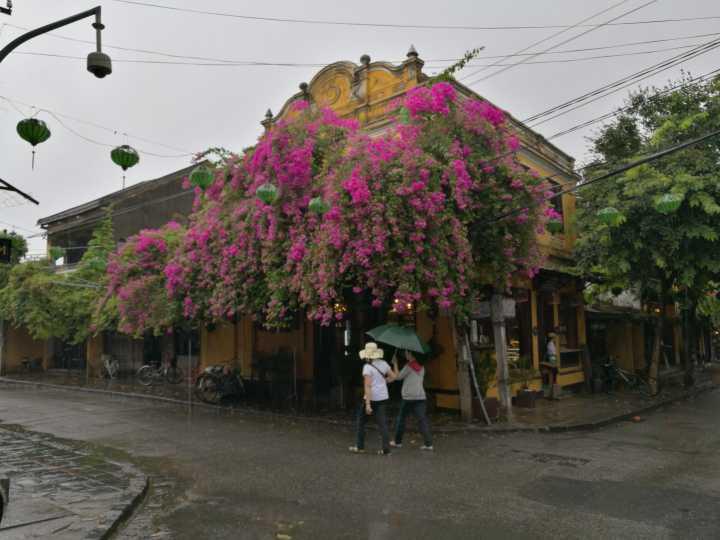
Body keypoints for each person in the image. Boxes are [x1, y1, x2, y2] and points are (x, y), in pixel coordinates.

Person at [349, 342, 396, 455]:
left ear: (368, 355)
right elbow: (394, 377)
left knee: (361, 422)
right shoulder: (384, 364)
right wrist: (384, 381)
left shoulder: (367, 367)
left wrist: (368, 404)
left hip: (371, 398)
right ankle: (386, 449)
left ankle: (360, 447)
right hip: (383, 397)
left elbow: (368, 386)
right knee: (383, 424)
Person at [390, 350, 433, 451]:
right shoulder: (422, 367)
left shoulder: (409, 366)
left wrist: (395, 363)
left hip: (409, 397)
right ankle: (428, 444)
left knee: (401, 420)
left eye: (407, 353)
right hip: (420, 396)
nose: (405, 354)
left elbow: (397, 377)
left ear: (411, 354)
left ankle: (397, 442)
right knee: (422, 420)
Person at [541, 333, 559, 398]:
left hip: (552, 360)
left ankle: (551, 394)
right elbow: (552, 355)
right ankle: (551, 394)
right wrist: (554, 363)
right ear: (552, 338)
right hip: (551, 361)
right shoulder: (550, 344)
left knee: (552, 378)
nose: (555, 339)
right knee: (551, 377)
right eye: (554, 338)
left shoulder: (551, 344)